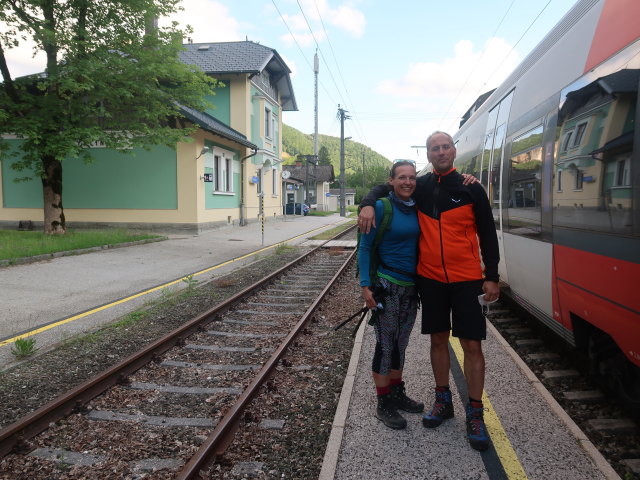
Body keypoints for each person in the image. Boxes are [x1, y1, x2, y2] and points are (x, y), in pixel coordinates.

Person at [358, 131, 499, 451]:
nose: (440, 151)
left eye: (445, 146)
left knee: (472, 345)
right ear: (429, 153)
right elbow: (387, 186)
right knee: (438, 340)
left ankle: (475, 413)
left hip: (466, 279)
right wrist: (367, 203)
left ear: (454, 150)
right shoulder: (420, 185)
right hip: (431, 280)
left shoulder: (470, 187)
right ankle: (442, 400)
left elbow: (488, 233)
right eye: (434, 148)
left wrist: (491, 275)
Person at [358, 160, 424, 430]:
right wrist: (365, 285)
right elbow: (364, 248)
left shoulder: (417, 206)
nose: (407, 182)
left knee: (401, 343)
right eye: (402, 178)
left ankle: (396, 391)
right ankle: (383, 402)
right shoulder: (382, 207)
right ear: (392, 181)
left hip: (411, 288)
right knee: (385, 345)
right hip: (387, 284)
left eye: (411, 177)